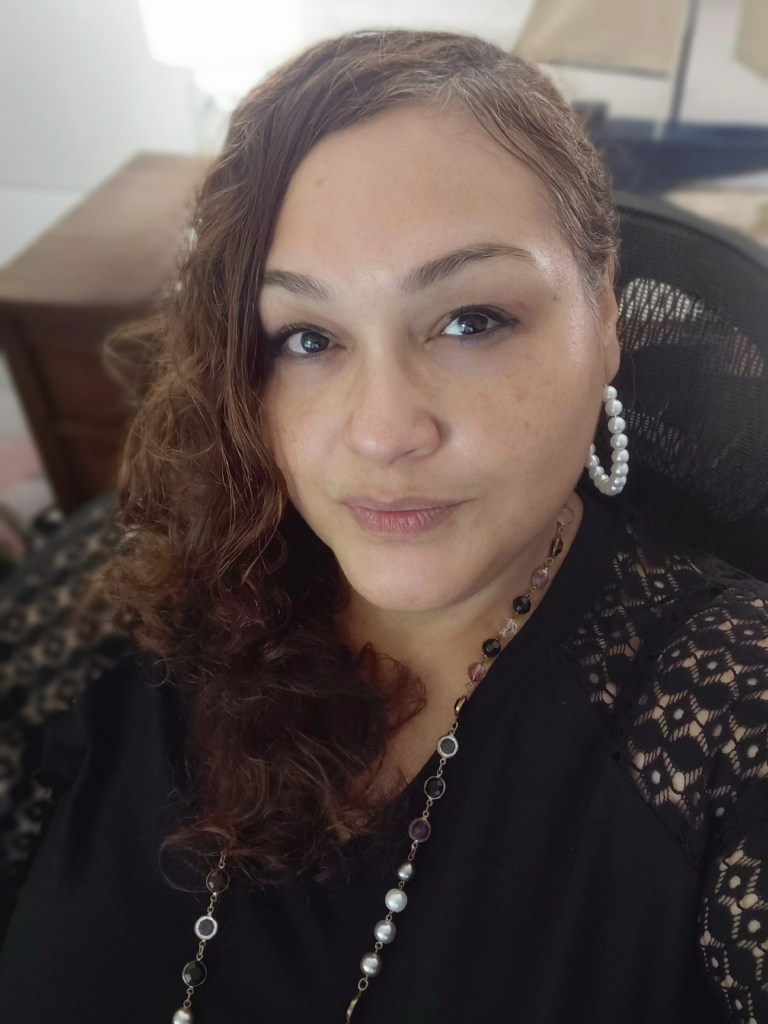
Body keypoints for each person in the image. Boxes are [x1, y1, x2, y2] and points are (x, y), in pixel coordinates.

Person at [0, 29, 766, 1024]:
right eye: (308, 338)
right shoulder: (123, 587)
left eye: (472, 320)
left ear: (607, 313)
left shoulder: (727, 714)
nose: (384, 431)